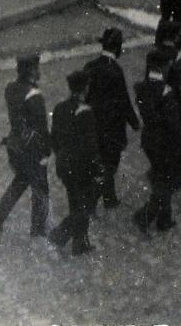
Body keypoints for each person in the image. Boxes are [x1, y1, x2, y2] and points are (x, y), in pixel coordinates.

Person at [0, 55, 51, 238]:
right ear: (32, 71)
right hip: (32, 148)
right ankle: (38, 230)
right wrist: (46, 151)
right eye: (37, 68)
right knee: (41, 189)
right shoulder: (34, 96)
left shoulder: (11, 89)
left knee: (21, 180)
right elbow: (41, 127)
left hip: (15, 144)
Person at [84, 27, 140, 209]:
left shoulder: (90, 66)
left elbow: (84, 96)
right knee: (110, 165)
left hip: (92, 124)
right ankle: (92, 202)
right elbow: (124, 101)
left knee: (99, 161)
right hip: (111, 128)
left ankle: (109, 197)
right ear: (118, 47)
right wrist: (135, 123)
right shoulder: (116, 71)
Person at [48, 69, 102, 255]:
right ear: (84, 88)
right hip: (81, 166)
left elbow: (53, 138)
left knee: (75, 202)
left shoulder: (60, 108)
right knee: (85, 205)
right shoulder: (85, 112)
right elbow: (90, 145)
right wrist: (97, 167)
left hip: (64, 164)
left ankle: (80, 243)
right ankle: (60, 234)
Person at [132, 50, 181, 235]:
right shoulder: (165, 91)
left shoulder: (144, 87)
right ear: (163, 67)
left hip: (149, 141)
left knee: (162, 177)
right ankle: (145, 216)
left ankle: (165, 219)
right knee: (165, 182)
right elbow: (172, 123)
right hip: (165, 143)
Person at [155, 20, 181, 188]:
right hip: (177, 106)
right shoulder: (179, 58)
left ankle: (165, 174)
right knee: (180, 140)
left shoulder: (155, 54)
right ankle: (177, 178)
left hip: (160, 103)